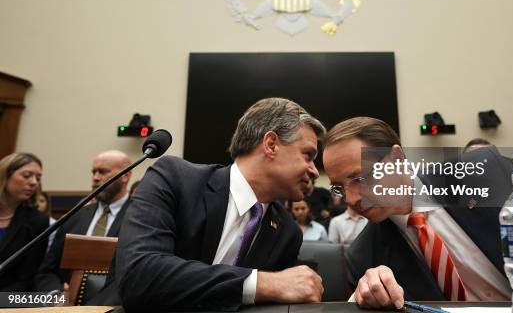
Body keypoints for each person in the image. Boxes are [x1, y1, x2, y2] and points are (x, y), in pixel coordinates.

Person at [322, 117, 513, 309]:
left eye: (360, 178)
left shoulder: (482, 174)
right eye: (338, 187)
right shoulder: (364, 257)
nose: (351, 198)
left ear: (396, 158)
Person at [93, 98, 326, 311]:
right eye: (308, 155)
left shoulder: (287, 232)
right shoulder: (175, 179)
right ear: (271, 144)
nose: (314, 170)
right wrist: (260, 282)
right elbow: (140, 276)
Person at [35, 150, 132, 292]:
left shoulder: (140, 216)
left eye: (102, 172)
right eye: (93, 172)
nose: (96, 178)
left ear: (125, 176)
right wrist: (56, 293)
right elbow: (47, 271)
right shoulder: (75, 215)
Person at [0, 153, 49, 291]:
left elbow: (27, 278)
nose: (34, 182)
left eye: (38, 178)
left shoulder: (38, 222)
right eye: (27, 175)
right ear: (5, 175)